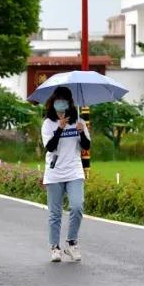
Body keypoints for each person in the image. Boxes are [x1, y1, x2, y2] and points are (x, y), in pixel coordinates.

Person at [41, 87, 90, 263]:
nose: (60, 103)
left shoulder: (79, 121)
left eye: (64, 100)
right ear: (53, 102)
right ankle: (54, 247)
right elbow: (50, 147)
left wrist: (81, 131)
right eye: (57, 100)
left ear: (70, 103)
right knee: (55, 213)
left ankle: (71, 242)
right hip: (55, 173)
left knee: (77, 206)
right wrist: (60, 129)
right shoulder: (48, 123)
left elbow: (86, 146)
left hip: (74, 171)